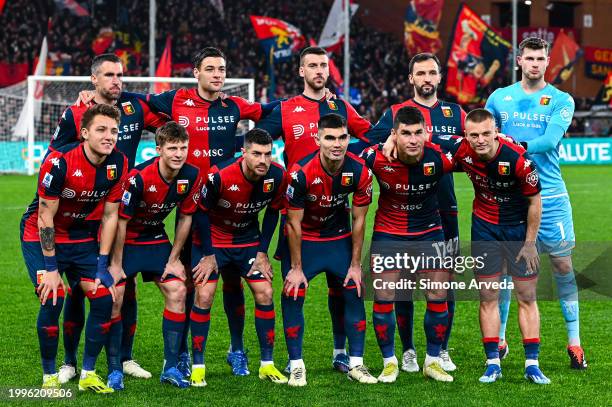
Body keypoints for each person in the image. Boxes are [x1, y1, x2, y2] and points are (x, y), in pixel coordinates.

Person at [257, 46, 376, 372]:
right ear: (301, 71)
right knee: (293, 291)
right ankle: (295, 363)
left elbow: (371, 135)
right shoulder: (286, 109)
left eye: (323, 65)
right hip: (297, 217)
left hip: (335, 220)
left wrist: (391, 136)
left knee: (345, 290)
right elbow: (257, 142)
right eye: (312, 65)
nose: (319, 70)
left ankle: (342, 354)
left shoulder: (341, 107)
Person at [55, 53, 167, 384]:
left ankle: (124, 358)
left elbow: (172, 126)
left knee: (124, 284)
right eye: (109, 75)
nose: (117, 80)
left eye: (120, 74)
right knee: (79, 287)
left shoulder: (137, 106)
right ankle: (70, 361)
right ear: (94, 80)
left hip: (121, 210)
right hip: (85, 214)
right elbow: (56, 154)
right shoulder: (76, 112)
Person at [486, 37, 586, 369]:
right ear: (518, 60)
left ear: (547, 63)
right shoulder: (499, 98)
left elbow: (549, 141)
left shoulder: (560, 99)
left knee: (562, 265)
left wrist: (511, 144)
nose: (534, 63)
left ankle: (575, 342)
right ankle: (500, 340)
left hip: (550, 195)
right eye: (529, 58)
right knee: (502, 273)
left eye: (540, 58)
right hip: (510, 196)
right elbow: (483, 137)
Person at [20, 104, 128, 393]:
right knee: (53, 296)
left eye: (114, 131)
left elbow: (110, 216)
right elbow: (44, 217)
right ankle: (49, 377)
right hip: (40, 234)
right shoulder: (59, 162)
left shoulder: (119, 162)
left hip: (81, 237)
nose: (109, 136)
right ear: (84, 133)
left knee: (104, 297)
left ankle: (88, 374)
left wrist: (103, 265)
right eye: (101, 130)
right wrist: (52, 270)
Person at [369, 52, 466, 372]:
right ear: (411, 78)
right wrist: (385, 140)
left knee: (443, 282)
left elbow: (470, 148)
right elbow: (368, 143)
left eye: (432, 73)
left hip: (443, 211)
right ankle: (409, 349)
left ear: (440, 78)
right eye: (420, 73)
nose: (427, 78)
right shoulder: (395, 113)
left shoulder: (455, 112)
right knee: (402, 285)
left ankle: (442, 349)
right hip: (399, 215)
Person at [452, 108, 548, 384]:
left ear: (496, 132)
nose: (480, 140)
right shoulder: (462, 152)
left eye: (485, 133)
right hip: (483, 229)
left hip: (518, 230)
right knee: (488, 296)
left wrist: (530, 243)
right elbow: (431, 143)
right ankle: (492, 362)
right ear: (466, 136)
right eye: (474, 135)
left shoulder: (518, 159)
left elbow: (535, 202)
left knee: (527, 296)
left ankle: (532, 364)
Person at [362, 106, 455, 383]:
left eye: (418, 133)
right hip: (389, 234)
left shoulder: (439, 158)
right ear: (395, 135)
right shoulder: (376, 157)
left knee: (437, 296)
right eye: (405, 133)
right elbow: (346, 152)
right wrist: (380, 144)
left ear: (427, 133)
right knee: (385, 297)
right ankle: (389, 362)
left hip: (429, 233)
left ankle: (433, 361)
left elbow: (472, 148)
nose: (413, 140)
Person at [282, 113, 376, 386]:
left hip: (337, 238)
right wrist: (296, 269)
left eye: (343, 137)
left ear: (349, 138)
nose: (337, 144)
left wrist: (356, 264)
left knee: (353, 289)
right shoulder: (300, 173)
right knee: (293, 291)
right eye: (330, 138)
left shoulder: (359, 171)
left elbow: (359, 219)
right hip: (304, 240)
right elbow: (293, 223)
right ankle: (296, 364)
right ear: (318, 139)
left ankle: (354, 362)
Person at [189, 128, 287, 387]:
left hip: (247, 242)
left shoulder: (277, 176)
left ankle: (263, 363)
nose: (263, 160)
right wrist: (209, 255)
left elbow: (273, 213)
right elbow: (200, 213)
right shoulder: (219, 175)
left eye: (267, 154)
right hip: (212, 241)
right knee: (204, 295)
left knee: (265, 291)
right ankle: (197, 365)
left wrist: (262, 252)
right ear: (243, 153)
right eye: (256, 154)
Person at [108, 122, 200, 389]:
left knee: (178, 291)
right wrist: (115, 263)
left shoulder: (191, 175)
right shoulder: (138, 177)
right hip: (125, 241)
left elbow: (185, 218)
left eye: (183, 148)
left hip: (155, 238)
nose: (179, 154)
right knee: (116, 297)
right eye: (172, 148)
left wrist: (174, 259)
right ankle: (116, 368)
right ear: (158, 149)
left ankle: (170, 367)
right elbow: (120, 222)